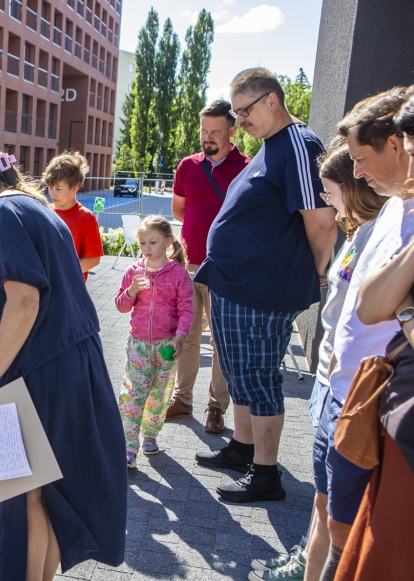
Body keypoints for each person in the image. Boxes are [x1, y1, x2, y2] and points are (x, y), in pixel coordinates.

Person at [0, 145, 127, 581]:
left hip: (43, 370)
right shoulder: (37, 208)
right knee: (45, 490)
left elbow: (25, 300)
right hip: (72, 361)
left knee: (24, 489)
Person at [232, 140, 386, 581]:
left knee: (343, 524)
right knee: (322, 511)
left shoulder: (389, 231)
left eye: (333, 188)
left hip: (358, 398)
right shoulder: (361, 233)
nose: (326, 200)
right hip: (332, 384)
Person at [305, 80, 414, 581]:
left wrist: (410, 316)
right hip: (393, 427)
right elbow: (371, 301)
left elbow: (402, 318)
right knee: (363, 575)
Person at [193, 68, 336, 503]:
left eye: (245, 110)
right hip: (236, 284)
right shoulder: (272, 145)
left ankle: (266, 474)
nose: (241, 121)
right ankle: (242, 447)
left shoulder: (298, 144)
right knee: (238, 372)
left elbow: (322, 221)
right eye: (235, 112)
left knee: (258, 377)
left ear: (272, 100)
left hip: (262, 290)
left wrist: (316, 271)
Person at [164, 100, 250, 434]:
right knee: (185, 335)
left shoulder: (248, 167)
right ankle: (182, 400)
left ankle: (216, 407)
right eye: (203, 130)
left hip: (226, 268)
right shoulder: (187, 166)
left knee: (222, 341)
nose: (207, 137)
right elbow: (181, 212)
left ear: (232, 130)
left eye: (215, 131)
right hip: (188, 264)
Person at [114, 216, 194, 468]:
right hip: (138, 344)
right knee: (133, 394)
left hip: (166, 346)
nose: (146, 248)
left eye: (152, 242)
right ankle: (128, 446)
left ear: (168, 242)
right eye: (142, 243)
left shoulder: (179, 274)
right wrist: (131, 292)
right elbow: (120, 306)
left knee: (159, 395)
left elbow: (187, 310)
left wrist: (180, 337)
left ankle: (150, 434)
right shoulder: (134, 272)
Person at [42, 151, 104, 280]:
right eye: (50, 187)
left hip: (71, 287)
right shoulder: (45, 211)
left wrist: (66, 272)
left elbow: (93, 258)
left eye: (58, 189)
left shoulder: (86, 217)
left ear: (74, 188)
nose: (53, 194)